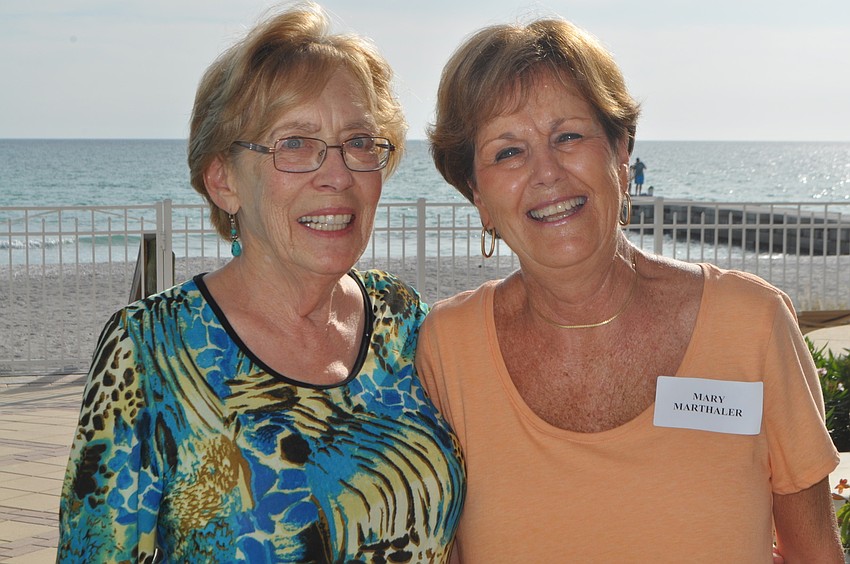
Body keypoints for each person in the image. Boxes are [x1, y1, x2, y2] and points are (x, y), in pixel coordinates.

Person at [419, 16, 841, 562]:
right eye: (507, 152)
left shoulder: (750, 325)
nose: (546, 171)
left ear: (621, 154)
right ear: (477, 196)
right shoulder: (447, 350)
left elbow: (816, 555)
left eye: (568, 136)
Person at [57, 4, 465, 562]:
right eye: (294, 142)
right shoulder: (150, 351)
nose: (338, 173)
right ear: (223, 182)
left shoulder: (404, 320)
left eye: (360, 141)